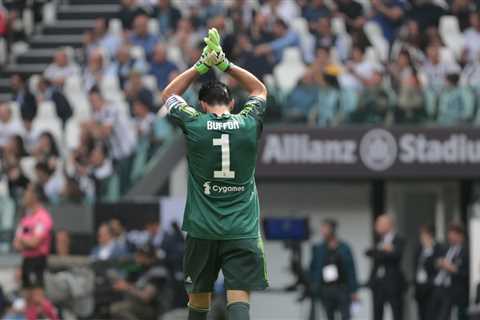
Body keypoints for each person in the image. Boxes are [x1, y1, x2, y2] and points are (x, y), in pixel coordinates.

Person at [160, 28, 269, 320]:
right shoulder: (247, 122)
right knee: (238, 294)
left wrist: (201, 66)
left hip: (202, 228)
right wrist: (225, 65)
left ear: (202, 105)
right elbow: (260, 90)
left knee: (198, 298)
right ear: (232, 104)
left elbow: (169, 94)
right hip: (241, 227)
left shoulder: (195, 123)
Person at [13, 183, 58, 320]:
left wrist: (23, 240)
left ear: (35, 196)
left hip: (38, 260)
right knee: (28, 299)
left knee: (38, 298)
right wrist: (26, 241)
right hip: (26, 260)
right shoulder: (26, 219)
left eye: (27, 192)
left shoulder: (43, 218)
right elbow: (16, 244)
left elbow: (35, 242)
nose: (24, 195)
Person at [310, 219, 358, 320]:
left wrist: (354, 290)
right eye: (322, 228)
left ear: (332, 230)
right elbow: (313, 268)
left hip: (342, 288)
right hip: (326, 288)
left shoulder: (344, 247)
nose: (322, 231)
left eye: (325, 228)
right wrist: (314, 284)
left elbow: (351, 269)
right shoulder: (319, 248)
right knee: (329, 316)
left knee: (346, 316)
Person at [365, 214, 406, 320]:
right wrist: (385, 250)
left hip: (393, 283)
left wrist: (383, 251)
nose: (376, 226)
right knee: (377, 313)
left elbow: (397, 255)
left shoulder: (398, 239)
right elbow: (369, 252)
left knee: (396, 312)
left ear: (388, 225)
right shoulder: (379, 241)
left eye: (379, 224)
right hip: (378, 283)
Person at [110, 244, 166, 320]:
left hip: (152, 309)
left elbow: (146, 297)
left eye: (143, 256)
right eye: (139, 255)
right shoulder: (143, 269)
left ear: (151, 258)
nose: (139, 258)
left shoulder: (158, 272)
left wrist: (127, 287)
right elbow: (135, 285)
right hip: (139, 305)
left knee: (117, 309)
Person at [429, 223, 469, 320]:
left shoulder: (465, 252)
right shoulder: (445, 249)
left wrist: (450, 267)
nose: (450, 237)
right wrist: (438, 263)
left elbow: (465, 272)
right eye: (449, 234)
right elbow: (434, 263)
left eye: (453, 234)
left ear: (460, 236)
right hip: (439, 287)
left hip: (454, 290)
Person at [413, 225, 442, 320]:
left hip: (431, 287)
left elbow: (435, 266)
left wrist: (429, 250)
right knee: (421, 314)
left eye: (424, 234)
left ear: (430, 234)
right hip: (420, 287)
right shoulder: (418, 248)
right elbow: (416, 266)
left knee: (431, 314)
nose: (422, 236)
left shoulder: (438, 248)